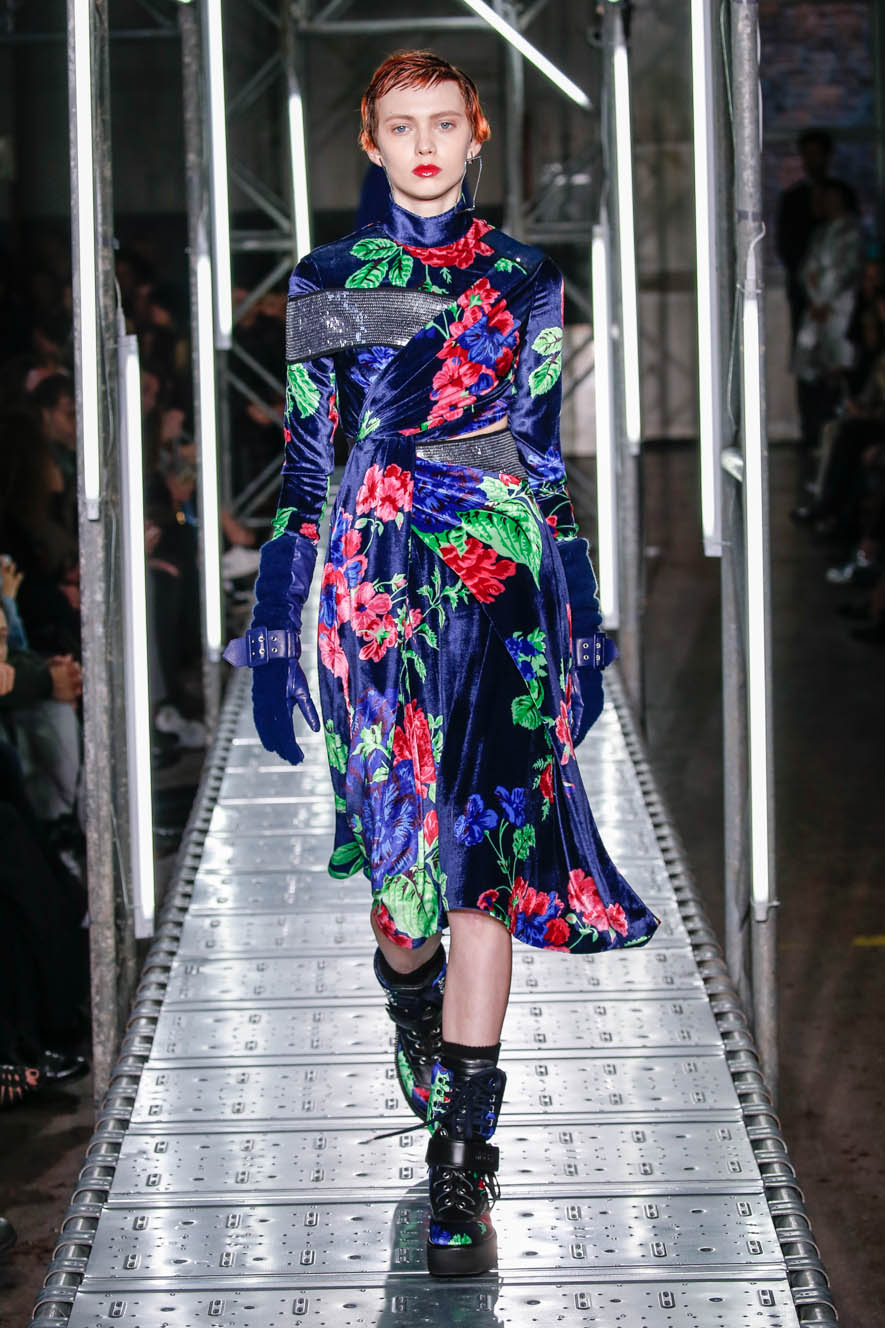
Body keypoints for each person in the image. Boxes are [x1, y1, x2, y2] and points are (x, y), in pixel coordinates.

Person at [224, 50, 659, 1278]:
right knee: (403, 898)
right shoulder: (326, 280)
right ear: (370, 144)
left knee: (481, 871)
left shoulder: (525, 280)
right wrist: (279, 617)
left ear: (476, 137)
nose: (424, 144)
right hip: (373, 591)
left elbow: (541, 456)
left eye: (444, 123)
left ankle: (462, 1154)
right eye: (400, 126)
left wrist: (577, 612)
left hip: (498, 583)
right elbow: (309, 469)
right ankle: (408, 998)